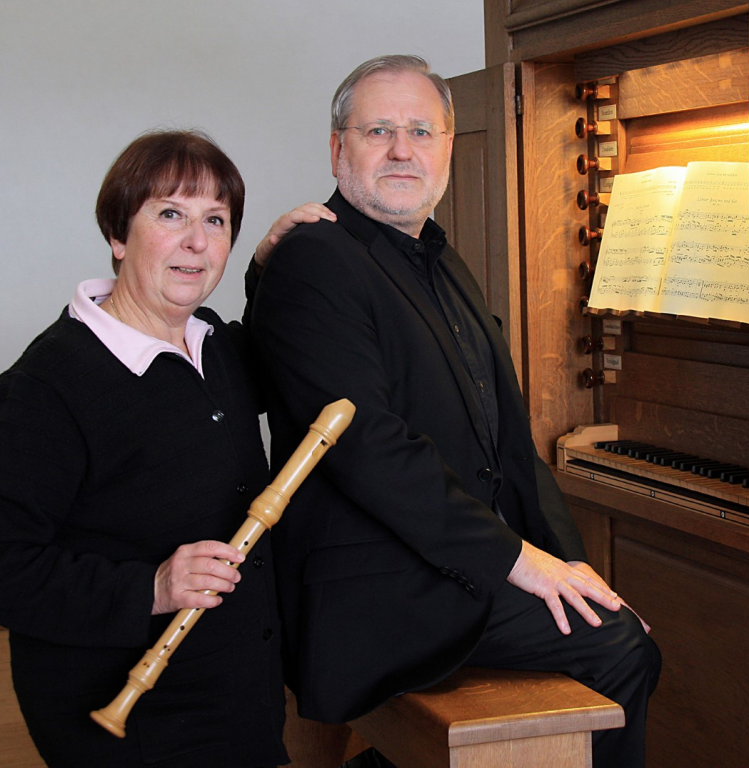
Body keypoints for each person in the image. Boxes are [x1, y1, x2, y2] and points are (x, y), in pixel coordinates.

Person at [250, 56, 661, 768]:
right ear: (337, 148)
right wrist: (519, 561)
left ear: (447, 147)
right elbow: (369, 448)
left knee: (612, 626)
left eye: (421, 131)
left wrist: (571, 566)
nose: (401, 150)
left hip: (447, 565)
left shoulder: (441, 261)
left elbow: (510, 449)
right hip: (377, 587)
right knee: (621, 650)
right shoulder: (312, 258)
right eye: (378, 130)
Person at [0, 129, 334, 768]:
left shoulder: (211, 344)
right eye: (170, 214)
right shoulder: (50, 384)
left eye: (216, 220)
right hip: (132, 723)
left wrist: (272, 263)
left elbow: (272, 352)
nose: (196, 241)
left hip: (238, 701)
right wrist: (149, 588)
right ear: (118, 235)